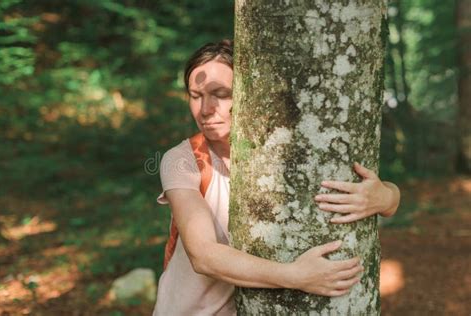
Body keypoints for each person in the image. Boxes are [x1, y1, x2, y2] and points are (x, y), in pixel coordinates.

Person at [152, 39, 400, 316]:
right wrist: (296, 276)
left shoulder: (280, 151)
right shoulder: (183, 159)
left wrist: (385, 196)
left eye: (221, 93)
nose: (205, 109)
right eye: (195, 95)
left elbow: (388, 200)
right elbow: (203, 256)